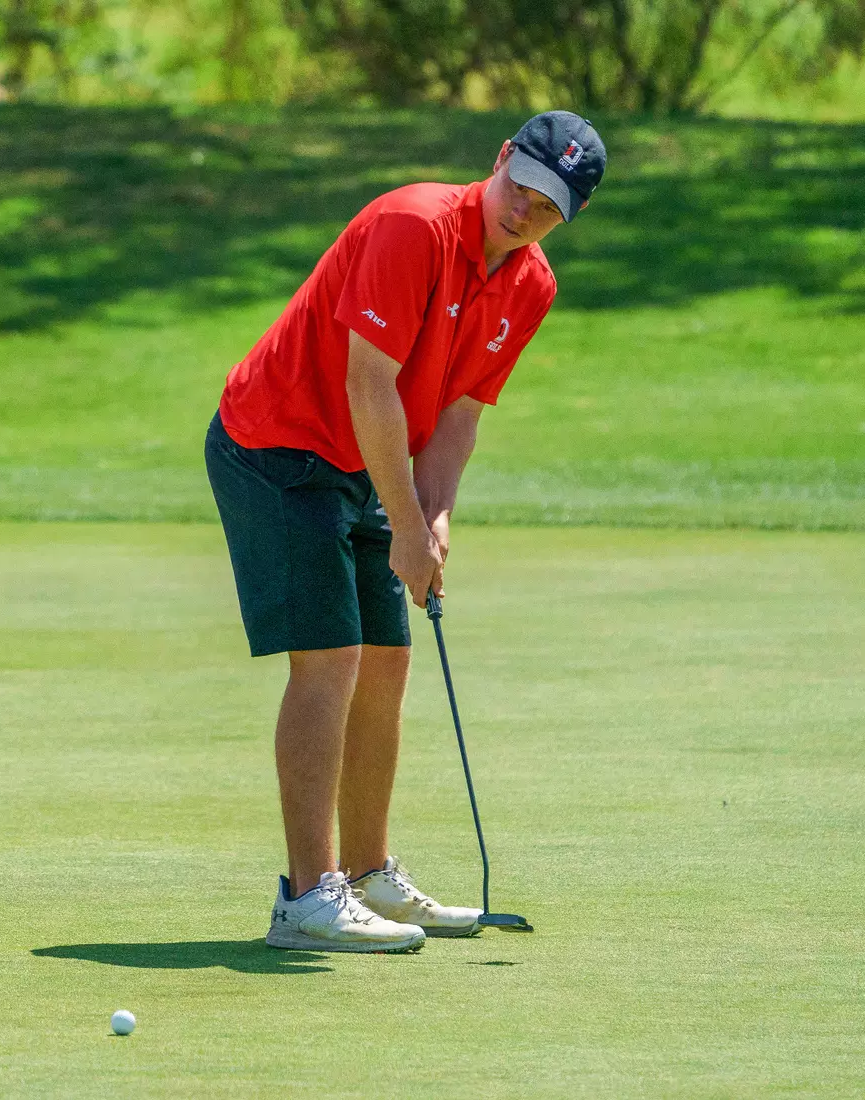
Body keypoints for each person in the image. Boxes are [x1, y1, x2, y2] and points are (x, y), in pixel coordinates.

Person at [204, 111, 606, 953]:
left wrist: (437, 519)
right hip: (278, 445)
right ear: (499, 158)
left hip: (363, 458)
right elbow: (369, 383)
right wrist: (406, 529)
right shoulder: (412, 225)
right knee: (331, 658)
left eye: (549, 206)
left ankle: (369, 874)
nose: (526, 209)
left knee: (389, 660)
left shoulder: (530, 285)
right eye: (521, 185)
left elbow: (458, 417)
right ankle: (307, 900)